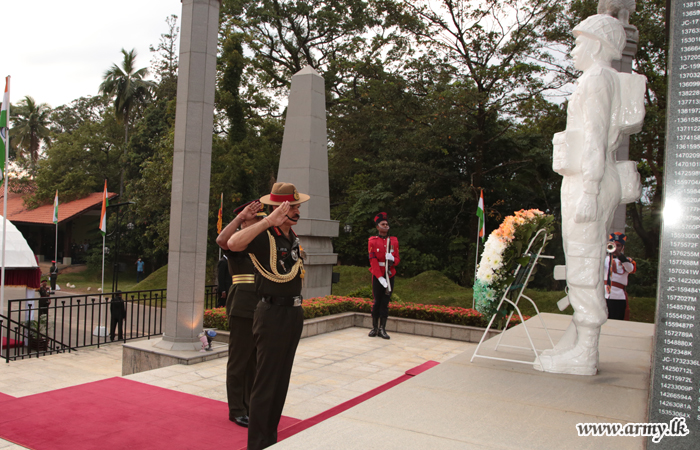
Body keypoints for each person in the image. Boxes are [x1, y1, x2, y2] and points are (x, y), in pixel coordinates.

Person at [535, 14, 641, 375]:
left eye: (579, 41)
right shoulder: (604, 78)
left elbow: (595, 137)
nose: (575, 49)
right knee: (586, 258)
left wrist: (590, 190)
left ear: (596, 44)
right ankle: (579, 336)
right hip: (591, 175)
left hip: (589, 178)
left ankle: (585, 352)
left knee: (583, 259)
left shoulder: (596, 79)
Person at [228, 182, 308, 450]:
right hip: (271, 312)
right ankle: (258, 443)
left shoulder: (291, 237)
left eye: (297, 206)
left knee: (280, 381)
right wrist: (266, 221)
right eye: (293, 206)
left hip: (292, 313)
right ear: (280, 207)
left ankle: (269, 438)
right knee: (265, 382)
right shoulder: (265, 235)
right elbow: (232, 243)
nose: (297, 210)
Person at [216, 199, 266, 428]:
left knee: (255, 361)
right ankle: (236, 409)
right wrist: (239, 217)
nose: (260, 220)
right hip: (243, 305)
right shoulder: (237, 243)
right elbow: (221, 240)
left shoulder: (262, 242)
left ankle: (249, 405)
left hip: (264, 304)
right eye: (255, 217)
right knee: (239, 361)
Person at [367, 212, 400, 339]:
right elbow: (372, 259)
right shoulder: (372, 241)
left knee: (385, 302)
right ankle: (374, 327)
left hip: (389, 274)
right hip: (378, 275)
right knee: (377, 301)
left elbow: (397, 258)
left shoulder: (394, 241)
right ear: (378, 227)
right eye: (383, 224)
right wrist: (380, 277)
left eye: (387, 224)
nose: (386, 226)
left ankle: (382, 329)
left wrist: (392, 260)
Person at [604, 232, 636, 320]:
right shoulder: (604, 259)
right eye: (613, 245)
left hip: (618, 297)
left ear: (622, 247)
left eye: (618, 245)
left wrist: (619, 255)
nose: (616, 248)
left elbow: (630, 269)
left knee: (616, 322)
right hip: (603, 295)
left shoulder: (627, 260)